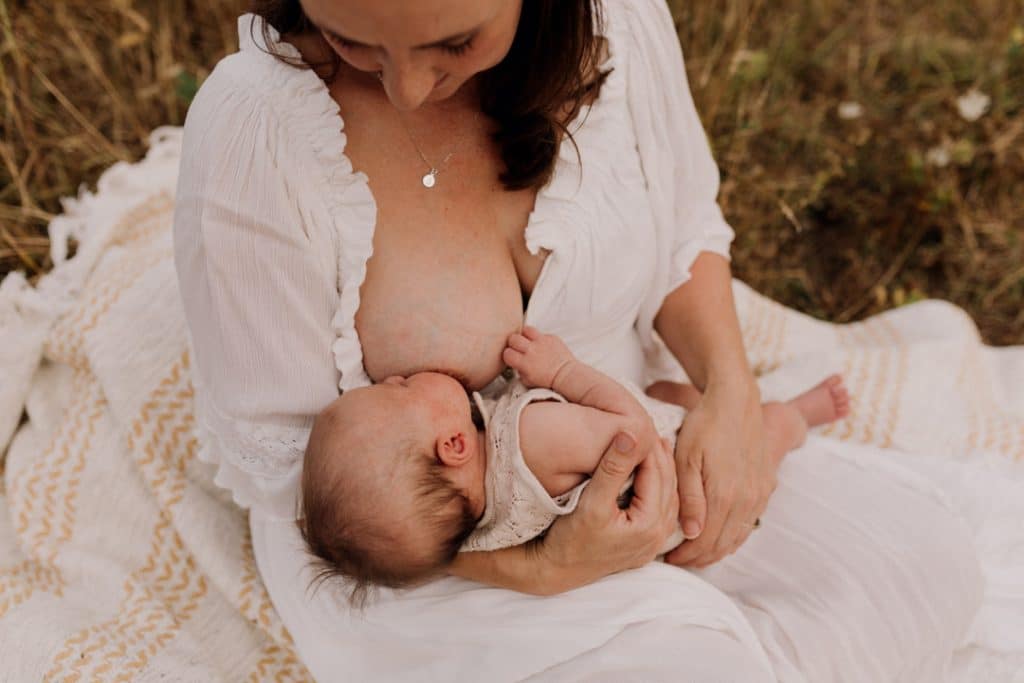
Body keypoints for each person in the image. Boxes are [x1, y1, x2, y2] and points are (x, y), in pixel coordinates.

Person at [172, 0, 983, 678]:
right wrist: (539, 567)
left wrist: (730, 394)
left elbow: (682, 232)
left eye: (453, 42)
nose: (410, 89)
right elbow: (289, 471)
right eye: (354, 39)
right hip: (419, 556)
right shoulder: (257, 131)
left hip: (632, 445)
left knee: (926, 563)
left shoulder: (615, 19)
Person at [300, 326, 851, 606]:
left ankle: (709, 402)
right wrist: (561, 372)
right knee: (762, 430)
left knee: (667, 390)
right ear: (453, 447)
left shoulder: (470, 529)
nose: (397, 376)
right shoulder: (531, 439)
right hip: (686, 483)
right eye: (398, 388)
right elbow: (629, 434)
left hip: (649, 530)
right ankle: (797, 416)